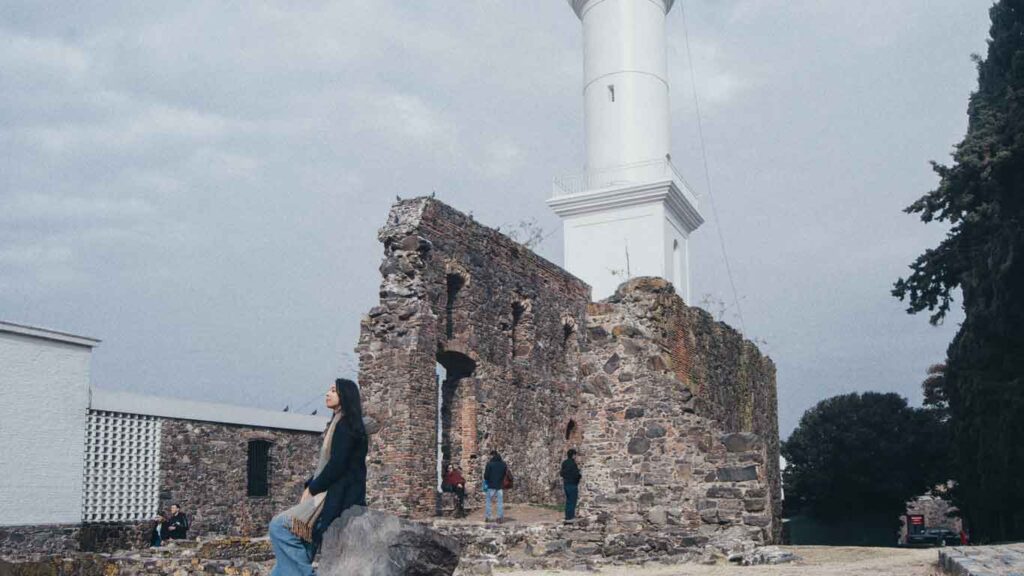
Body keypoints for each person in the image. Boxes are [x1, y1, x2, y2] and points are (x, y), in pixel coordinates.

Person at [268, 378, 368, 576]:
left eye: (333, 390)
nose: (327, 393)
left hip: (337, 498)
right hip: (331, 495)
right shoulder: (339, 423)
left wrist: (312, 488)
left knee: (279, 527)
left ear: (345, 396)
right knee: (297, 552)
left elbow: (337, 465)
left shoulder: (346, 425)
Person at [483, 451, 508, 524]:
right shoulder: (503, 464)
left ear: (492, 456)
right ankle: (500, 518)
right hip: (500, 486)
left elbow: (486, 476)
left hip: (491, 485)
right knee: (500, 503)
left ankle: (488, 517)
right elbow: (504, 475)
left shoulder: (489, 464)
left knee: (488, 502)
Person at [560, 449, 582, 524]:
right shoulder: (573, 464)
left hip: (566, 484)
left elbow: (561, 473)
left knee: (568, 501)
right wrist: (579, 476)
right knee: (572, 501)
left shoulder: (564, 463)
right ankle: (571, 517)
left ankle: (567, 516)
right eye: (575, 455)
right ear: (573, 455)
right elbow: (576, 474)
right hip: (572, 484)